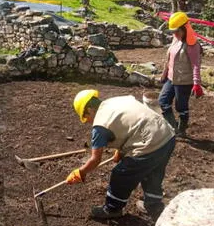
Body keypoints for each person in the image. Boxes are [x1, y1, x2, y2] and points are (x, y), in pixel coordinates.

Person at [67, 90, 176, 219]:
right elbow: (131, 123)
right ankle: (153, 206)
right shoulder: (115, 101)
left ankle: (112, 209)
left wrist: (81, 172)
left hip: (150, 142)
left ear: (90, 109)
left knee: (121, 174)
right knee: (154, 171)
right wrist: (120, 151)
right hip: (167, 135)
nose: (87, 122)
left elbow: (95, 159)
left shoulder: (100, 126)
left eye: (86, 117)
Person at [158, 11, 203, 137]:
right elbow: (169, 58)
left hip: (184, 81)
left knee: (181, 107)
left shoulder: (193, 45)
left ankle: (182, 129)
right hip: (171, 78)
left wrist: (196, 83)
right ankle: (173, 127)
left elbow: (196, 65)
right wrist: (164, 73)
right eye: (173, 31)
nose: (174, 34)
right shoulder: (175, 39)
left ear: (185, 28)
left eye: (177, 31)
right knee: (162, 102)